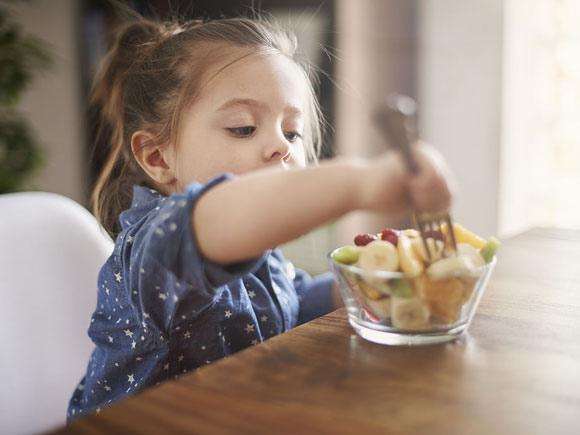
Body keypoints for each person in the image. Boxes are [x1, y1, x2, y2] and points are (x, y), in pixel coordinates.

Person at [68, 14, 453, 421]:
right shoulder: (157, 248)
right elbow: (223, 213)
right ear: (158, 157)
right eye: (243, 128)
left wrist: (367, 284)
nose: (280, 147)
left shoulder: (257, 251)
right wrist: (364, 181)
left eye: (292, 132)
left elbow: (291, 303)